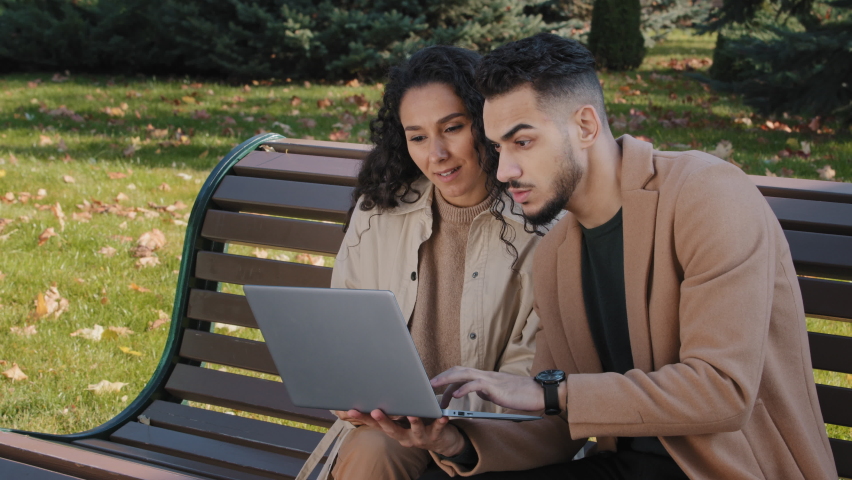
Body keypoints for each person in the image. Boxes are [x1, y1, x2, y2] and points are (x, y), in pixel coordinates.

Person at [346, 33, 838, 480]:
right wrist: (454, 442)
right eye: (497, 146)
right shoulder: (558, 250)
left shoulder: (707, 196)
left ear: (584, 124)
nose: (505, 169)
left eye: (522, 141)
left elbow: (722, 391)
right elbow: (558, 430)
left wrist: (551, 394)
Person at [296, 45, 548, 480]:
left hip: (487, 437)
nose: (437, 154)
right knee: (376, 451)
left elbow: (530, 373)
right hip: (389, 426)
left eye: (452, 127)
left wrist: (443, 426)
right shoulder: (380, 210)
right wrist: (345, 385)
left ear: (486, 123)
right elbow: (346, 324)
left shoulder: (538, 227)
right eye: (417, 136)